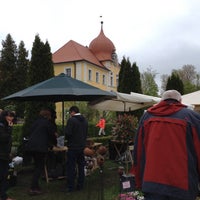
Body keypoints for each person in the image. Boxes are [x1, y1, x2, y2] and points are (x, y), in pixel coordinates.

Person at [133, 90, 200, 200]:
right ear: (180, 101)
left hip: (152, 184)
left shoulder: (146, 118)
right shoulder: (192, 117)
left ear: (161, 101)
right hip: (183, 186)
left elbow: (138, 151)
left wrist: (139, 180)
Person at [26, 108, 57, 195]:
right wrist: (54, 144)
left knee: (37, 166)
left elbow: (33, 133)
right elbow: (51, 136)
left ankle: (35, 186)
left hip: (31, 147)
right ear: (47, 116)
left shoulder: (35, 122)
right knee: (39, 167)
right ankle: (33, 188)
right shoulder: (47, 123)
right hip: (40, 148)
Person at [64, 106, 88, 193]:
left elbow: (67, 133)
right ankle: (80, 185)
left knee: (71, 167)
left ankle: (70, 187)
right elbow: (85, 134)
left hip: (73, 147)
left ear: (72, 112)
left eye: (70, 113)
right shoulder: (85, 120)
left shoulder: (71, 120)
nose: (70, 114)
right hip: (82, 147)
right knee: (81, 167)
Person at [0, 110, 15, 200]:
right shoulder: (2, 127)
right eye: (9, 116)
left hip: (4, 154)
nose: (11, 118)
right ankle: (3, 196)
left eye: (12, 116)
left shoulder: (4, 126)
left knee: (3, 175)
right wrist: (9, 129)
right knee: (3, 175)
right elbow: (4, 139)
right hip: (1, 155)